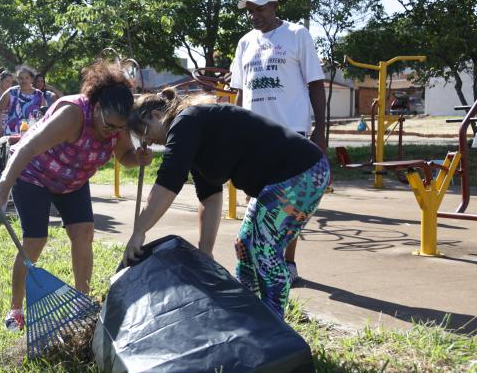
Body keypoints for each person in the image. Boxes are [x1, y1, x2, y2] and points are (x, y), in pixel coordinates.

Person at [122, 91, 330, 318]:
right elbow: (210, 197)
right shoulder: (195, 130)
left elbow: (168, 183)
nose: (148, 142)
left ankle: (273, 325)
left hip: (303, 173)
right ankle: (244, 309)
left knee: (264, 250)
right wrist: (205, 252)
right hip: (282, 180)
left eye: (145, 133)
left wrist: (139, 232)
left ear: (155, 115)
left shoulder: (186, 122)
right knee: (244, 244)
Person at [0, 61, 152, 331]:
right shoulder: (73, 114)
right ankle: (15, 309)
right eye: (108, 126)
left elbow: (124, 156)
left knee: (84, 233)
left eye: (117, 129)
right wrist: (4, 186)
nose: (111, 132)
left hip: (72, 182)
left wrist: (139, 158)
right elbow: (26, 147)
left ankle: (81, 304)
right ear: (97, 107)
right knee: (34, 241)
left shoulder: (117, 124)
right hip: (34, 176)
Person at [230, 0, 327, 284]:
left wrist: (321, 129)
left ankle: (288, 263)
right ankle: (257, 261)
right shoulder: (245, 42)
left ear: (274, 6)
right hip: (253, 134)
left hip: (291, 132)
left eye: (259, 9)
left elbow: (315, 83)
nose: (253, 15)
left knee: (289, 204)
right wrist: (233, 129)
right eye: (249, 10)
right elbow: (239, 91)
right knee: (255, 198)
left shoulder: (298, 35)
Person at [0, 66, 52, 135]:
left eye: (27, 78)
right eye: (21, 78)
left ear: (31, 79)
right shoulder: (11, 92)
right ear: (17, 79)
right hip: (12, 132)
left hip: (33, 133)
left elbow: (44, 113)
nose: (24, 80)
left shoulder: (39, 94)